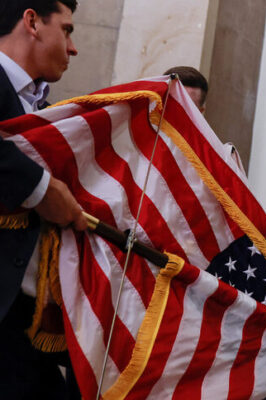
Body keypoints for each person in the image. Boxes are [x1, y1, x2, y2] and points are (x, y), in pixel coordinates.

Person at [0, 1, 87, 398]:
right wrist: (41, 187)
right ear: (32, 21)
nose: (72, 48)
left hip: (23, 332)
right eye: (67, 30)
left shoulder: (47, 116)